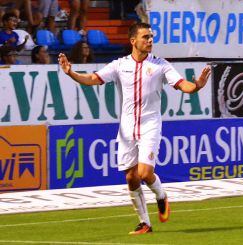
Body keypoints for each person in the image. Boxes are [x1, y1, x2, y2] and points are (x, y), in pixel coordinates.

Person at [58, 22, 211, 235]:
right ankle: (144, 223)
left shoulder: (160, 65)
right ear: (133, 41)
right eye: (145, 37)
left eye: (151, 37)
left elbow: (182, 85)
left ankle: (161, 196)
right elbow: (93, 79)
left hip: (150, 125)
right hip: (127, 128)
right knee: (131, 177)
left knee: (145, 172)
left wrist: (196, 86)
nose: (150, 40)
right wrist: (71, 73)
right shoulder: (119, 65)